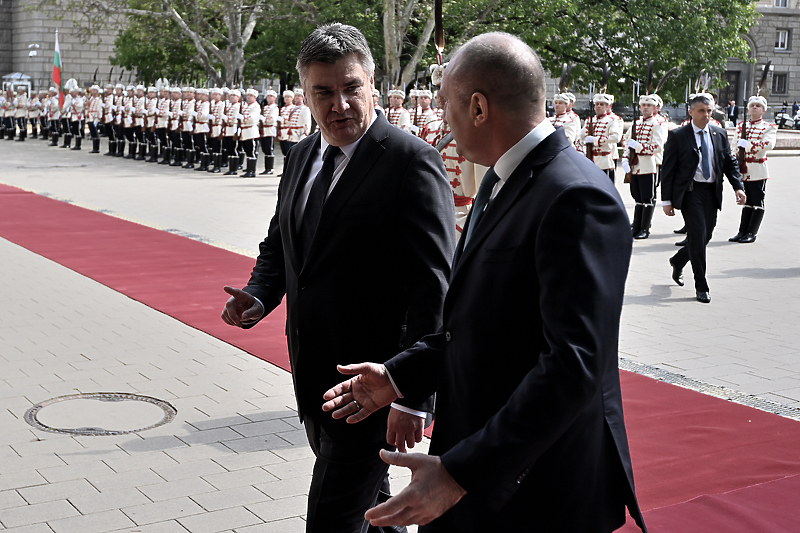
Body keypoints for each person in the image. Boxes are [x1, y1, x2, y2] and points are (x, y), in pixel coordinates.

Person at [321, 32, 646, 533]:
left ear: (477, 107)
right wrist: (399, 375)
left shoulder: (575, 196)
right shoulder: (500, 181)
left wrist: (460, 472)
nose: (442, 121)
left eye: (446, 104)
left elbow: (574, 365)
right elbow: (479, 323)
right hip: (489, 467)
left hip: (538, 488)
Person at [220, 23, 455, 533]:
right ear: (305, 95)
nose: (339, 104)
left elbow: (434, 286)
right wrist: (259, 296)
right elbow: (280, 247)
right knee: (376, 508)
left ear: (373, 84)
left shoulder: (413, 162)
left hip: (374, 386)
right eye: (323, 92)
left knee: (331, 518)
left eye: (351, 88)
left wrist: (414, 394)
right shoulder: (302, 155)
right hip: (311, 375)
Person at [662, 93, 746, 303]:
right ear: (691, 112)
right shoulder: (679, 136)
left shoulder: (718, 133)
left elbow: (729, 162)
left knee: (705, 237)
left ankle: (678, 260)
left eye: (709, 111)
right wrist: (666, 201)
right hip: (690, 193)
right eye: (701, 111)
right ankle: (701, 285)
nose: (706, 115)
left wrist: (738, 186)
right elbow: (668, 170)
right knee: (698, 235)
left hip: (711, 191)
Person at [729, 95, 776, 244]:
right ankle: (742, 231)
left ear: (763, 110)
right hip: (743, 168)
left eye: (758, 106)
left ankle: (752, 233)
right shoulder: (741, 126)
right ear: (748, 109)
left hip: (757, 169)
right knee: (747, 202)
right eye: (752, 105)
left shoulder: (768, 127)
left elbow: (768, 145)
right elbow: (734, 145)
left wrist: (748, 144)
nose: (754, 107)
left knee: (757, 201)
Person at [622, 93, 666, 239]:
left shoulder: (657, 124)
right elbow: (626, 141)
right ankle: (637, 225)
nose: (646, 108)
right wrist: (625, 158)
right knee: (637, 196)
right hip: (634, 164)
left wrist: (639, 146)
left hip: (648, 163)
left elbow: (658, 147)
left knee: (647, 197)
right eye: (644, 105)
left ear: (655, 108)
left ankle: (645, 228)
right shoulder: (637, 123)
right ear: (640, 107)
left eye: (649, 105)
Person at [580, 92, 623, 181]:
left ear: (607, 107)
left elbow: (616, 137)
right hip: (591, 158)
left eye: (602, 104)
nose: (599, 106)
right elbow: (581, 135)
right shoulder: (590, 120)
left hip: (604, 160)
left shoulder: (611, 121)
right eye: (597, 104)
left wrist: (595, 140)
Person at [238, 88, 261, 177]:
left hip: (251, 131)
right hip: (244, 131)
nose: (249, 97)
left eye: (251, 96)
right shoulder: (245, 106)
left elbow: (252, 118)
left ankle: (252, 171)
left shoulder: (255, 106)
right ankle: (248, 169)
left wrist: (242, 117)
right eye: (248, 95)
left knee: (251, 151)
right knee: (247, 151)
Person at [259, 89, 279, 175]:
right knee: (264, 149)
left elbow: (272, 120)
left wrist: (262, 119)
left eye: (271, 96)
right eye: (268, 96)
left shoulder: (274, 108)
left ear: (274, 98)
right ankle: (266, 168)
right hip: (264, 130)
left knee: (269, 149)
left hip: (270, 130)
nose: (269, 98)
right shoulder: (265, 107)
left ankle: (270, 168)